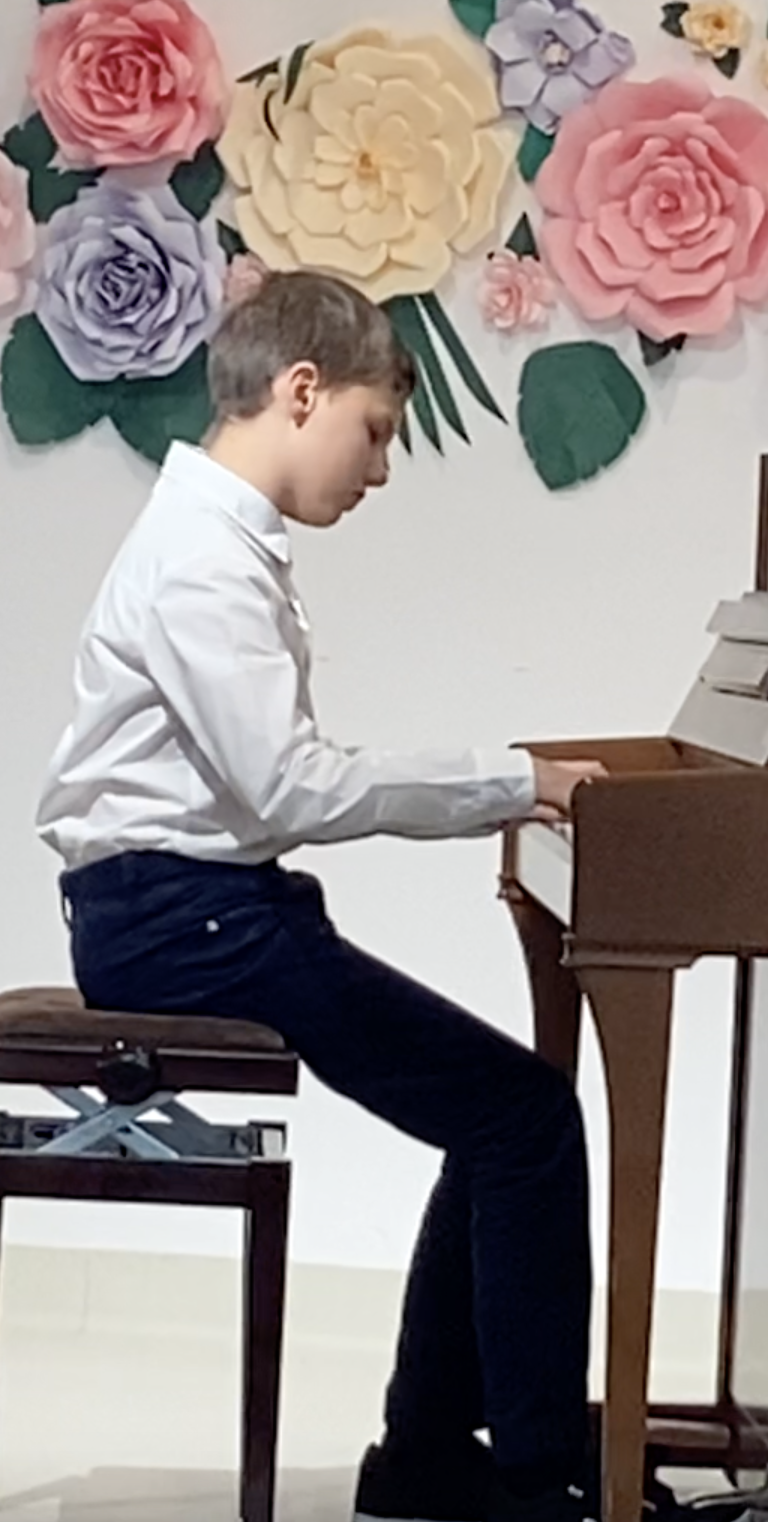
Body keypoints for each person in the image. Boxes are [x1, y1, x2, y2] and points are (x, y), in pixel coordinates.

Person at [37, 271, 606, 1522]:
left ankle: (441, 1453)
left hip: (200, 911)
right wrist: (513, 781)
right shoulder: (202, 557)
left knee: (506, 1113)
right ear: (302, 392)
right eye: (376, 430)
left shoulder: (217, 538)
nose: (382, 469)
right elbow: (288, 785)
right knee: (521, 1117)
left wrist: (508, 785)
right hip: (181, 923)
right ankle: (518, 1470)